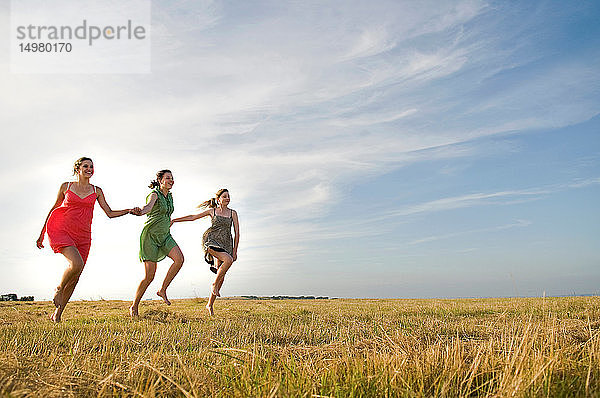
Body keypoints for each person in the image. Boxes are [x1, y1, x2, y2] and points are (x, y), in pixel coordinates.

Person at [36, 157, 138, 323]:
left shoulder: (96, 191)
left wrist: (128, 210)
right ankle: (59, 288)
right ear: (78, 169)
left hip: (83, 235)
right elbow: (54, 208)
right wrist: (42, 233)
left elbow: (110, 213)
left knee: (75, 277)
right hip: (63, 230)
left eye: (92, 166)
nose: (89, 169)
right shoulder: (66, 187)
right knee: (76, 264)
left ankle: (57, 315)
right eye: (86, 166)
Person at [171, 188, 239, 316]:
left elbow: (237, 232)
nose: (227, 198)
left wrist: (235, 250)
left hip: (226, 243)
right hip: (211, 240)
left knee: (222, 275)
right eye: (224, 196)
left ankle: (209, 304)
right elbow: (193, 217)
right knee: (227, 261)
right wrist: (175, 220)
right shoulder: (212, 211)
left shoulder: (233, 213)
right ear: (219, 199)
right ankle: (214, 284)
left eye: (229, 196)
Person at [129, 170, 185, 317]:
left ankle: (163, 290)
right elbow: (147, 208)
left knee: (179, 260)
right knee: (149, 276)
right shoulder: (155, 194)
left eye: (172, 178)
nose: (171, 180)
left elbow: (168, 214)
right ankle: (134, 306)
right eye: (168, 178)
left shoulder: (170, 197)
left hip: (165, 236)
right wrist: (140, 212)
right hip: (150, 237)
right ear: (160, 180)